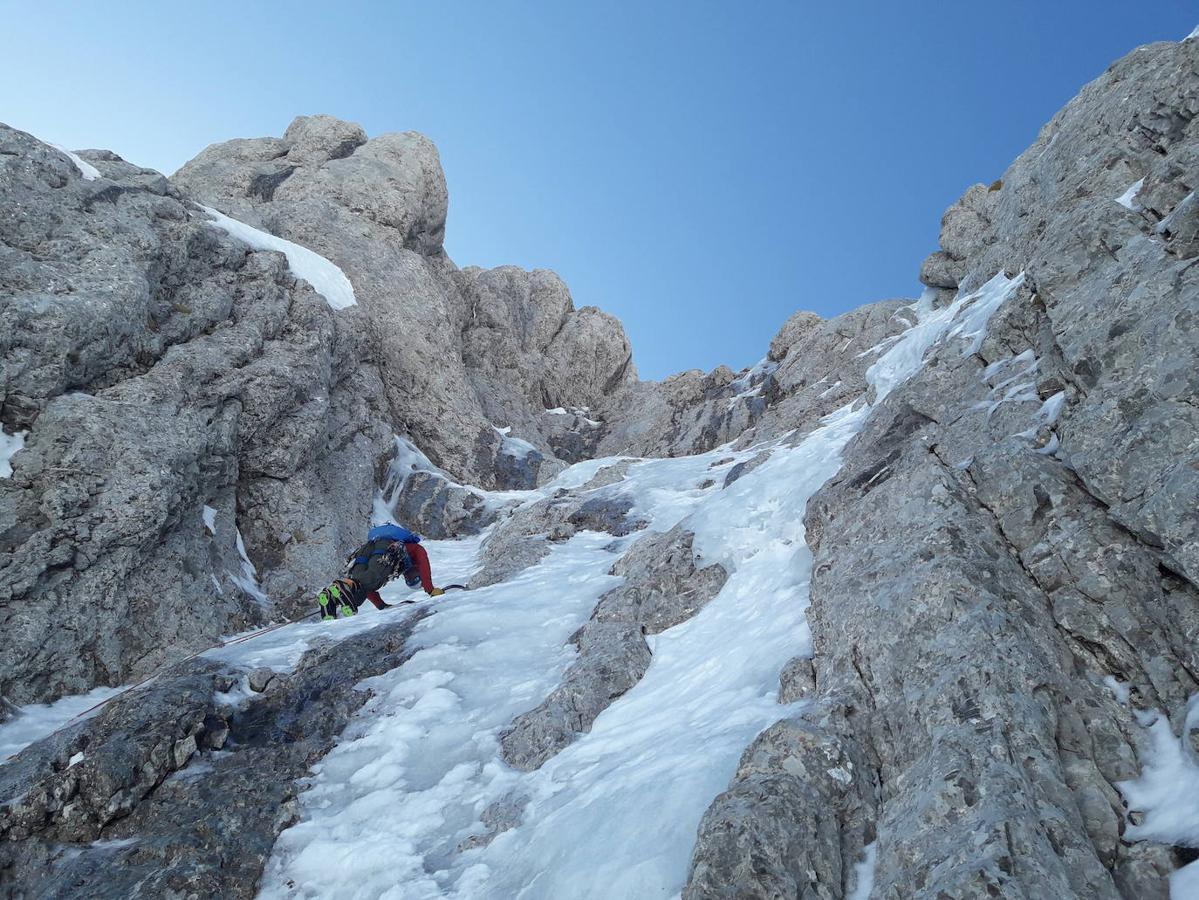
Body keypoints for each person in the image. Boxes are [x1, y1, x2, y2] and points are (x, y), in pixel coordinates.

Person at [316, 523, 445, 620]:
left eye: (410, 581)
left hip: (366, 549)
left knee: (359, 586)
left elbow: (367, 587)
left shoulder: (402, 559)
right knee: (370, 580)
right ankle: (341, 588)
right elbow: (423, 560)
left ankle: (330, 599)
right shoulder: (412, 551)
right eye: (415, 579)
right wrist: (430, 589)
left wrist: (381, 605)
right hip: (386, 548)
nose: (410, 578)